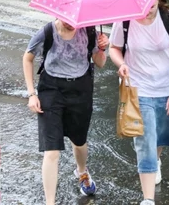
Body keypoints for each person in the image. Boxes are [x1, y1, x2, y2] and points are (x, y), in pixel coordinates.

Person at [109, 0, 169, 205]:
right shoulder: (124, 20)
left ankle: (156, 161)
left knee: (160, 135)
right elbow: (114, 48)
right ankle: (148, 199)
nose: (147, 12)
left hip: (168, 87)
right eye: (142, 8)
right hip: (138, 89)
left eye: (151, 6)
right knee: (145, 141)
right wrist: (121, 64)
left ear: (159, 1)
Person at [22, 19, 109, 205]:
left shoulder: (89, 31)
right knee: (51, 150)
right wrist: (32, 94)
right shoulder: (47, 31)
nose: (71, 25)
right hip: (51, 90)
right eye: (66, 20)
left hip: (81, 89)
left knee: (79, 142)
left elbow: (100, 63)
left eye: (74, 21)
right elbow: (27, 57)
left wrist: (102, 48)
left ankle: (82, 171)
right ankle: (50, 202)